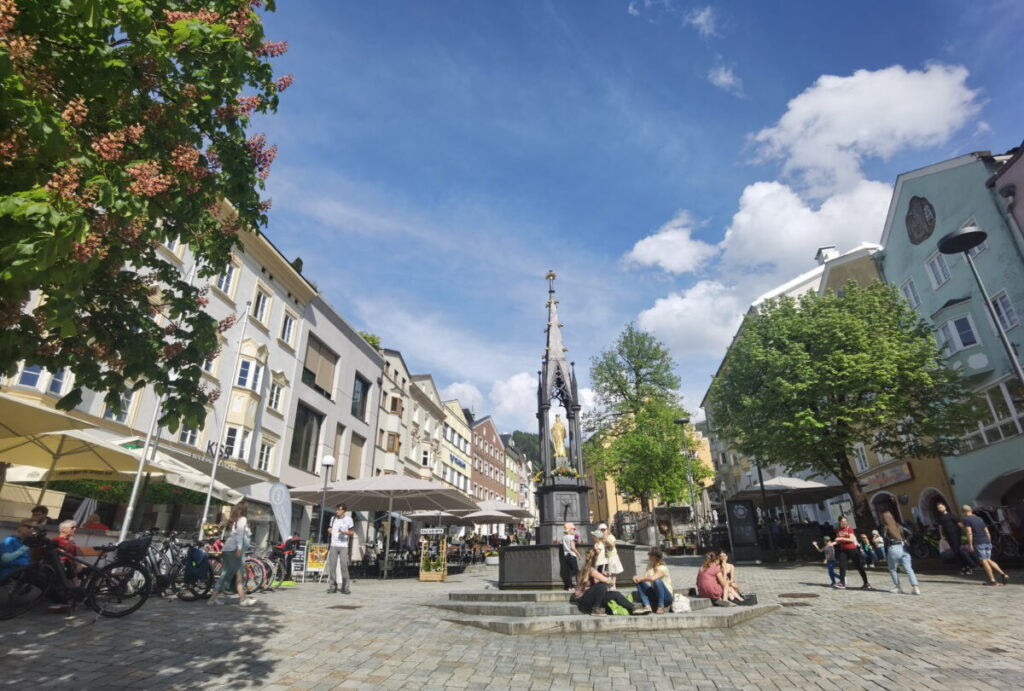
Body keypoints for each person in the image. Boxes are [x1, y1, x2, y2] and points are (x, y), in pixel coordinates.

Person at [573, 547, 649, 616]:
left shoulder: (586, 569)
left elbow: (592, 584)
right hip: (583, 602)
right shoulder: (591, 570)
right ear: (596, 559)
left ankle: (633, 608)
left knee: (615, 594)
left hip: (589, 599)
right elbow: (607, 582)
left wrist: (602, 575)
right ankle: (596, 609)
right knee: (602, 585)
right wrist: (610, 577)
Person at [208, 501, 254, 607]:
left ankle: (242, 599)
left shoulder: (235, 520)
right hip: (233, 551)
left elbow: (236, 534)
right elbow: (239, 535)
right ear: (244, 510)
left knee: (237, 575)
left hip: (228, 550)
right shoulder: (242, 519)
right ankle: (213, 599)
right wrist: (239, 548)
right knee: (227, 575)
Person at [962, 504, 1009, 587]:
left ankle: (992, 581)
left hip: (978, 541)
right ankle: (1003, 574)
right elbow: (986, 531)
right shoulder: (979, 518)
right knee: (988, 559)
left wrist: (970, 544)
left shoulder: (966, 519)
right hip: (986, 541)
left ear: (964, 512)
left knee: (984, 561)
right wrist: (989, 541)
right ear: (971, 510)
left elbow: (969, 532)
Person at [881, 511, 919, 595]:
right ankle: (915, 588)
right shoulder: (899, 526)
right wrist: (906, 540)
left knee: (892, 569)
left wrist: (885, 552)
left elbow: (885, 540)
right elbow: (910, 533)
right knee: (909, 569)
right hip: (904, 547)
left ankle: (898, 587)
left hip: (894, 548)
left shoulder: (886, 527)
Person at [936, 502, 973, 576]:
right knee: (955, 552)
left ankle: (969, 566)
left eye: (941, 507)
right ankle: (964, 567)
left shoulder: (951, 515)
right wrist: (941, 535)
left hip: (955, 535)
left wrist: (966, 532)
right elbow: (940, 527)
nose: (940, 509)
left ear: (945, 507)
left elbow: (959, 524)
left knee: (958, 551)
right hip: (948, 537)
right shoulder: (940, 518)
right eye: (938, 508)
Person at [632, 548, 673, 613]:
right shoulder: (650, 565)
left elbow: (653, 578)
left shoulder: (662, 568)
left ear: (654, 557)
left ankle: (661, 606)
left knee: (657, 581)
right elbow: (644, 577)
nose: (648, 556)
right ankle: (647, 606)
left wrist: (641, 578)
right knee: (639, 582)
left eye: (649, 554)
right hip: (655, 593)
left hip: (666, 596)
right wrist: (637, 577)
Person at [834, 516, 870, 590]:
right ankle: (842, 583)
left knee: (859, 566)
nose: (844, 522)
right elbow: (838, 540)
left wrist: (841, 538)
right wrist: (831, 543)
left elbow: (851, 539)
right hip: (843, 550)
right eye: (842, 521)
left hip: (852, 549)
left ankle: (866, 583)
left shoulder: (849, 529)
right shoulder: (837, 530)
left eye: (845, 521)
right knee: (842, 566)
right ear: (839, 522)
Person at [326, 504, 354, 594]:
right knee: (332, 566)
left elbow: (352, 532)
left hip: (343, 546)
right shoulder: (333, 518)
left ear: (343, 511)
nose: (337, 511)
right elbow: (329, 528)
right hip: (333, 545)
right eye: (336, 509)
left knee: (344, 566)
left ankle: (345, 587)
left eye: (339, 509)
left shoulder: (349, 520)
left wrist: (345, 532)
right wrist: (329, 530)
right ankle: (333, 586)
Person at [559, 522, 580, 591]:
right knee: (577, 571)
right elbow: (572, 547)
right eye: (573, 529)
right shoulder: (571, 537)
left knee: (569, 571)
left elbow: (565, 544)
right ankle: (578, 585)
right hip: (571, 555)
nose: (574, 531)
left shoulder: (564, 537)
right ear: (570, 530)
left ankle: (569, 586)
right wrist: (578, 554)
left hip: (566, 555)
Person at [602, 523, 624, 589]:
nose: (603, 531)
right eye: (601, 530)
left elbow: (613, 545)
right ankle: (610, 585)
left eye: (604, 530)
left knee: (613, 572)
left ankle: (613, 585)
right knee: (608, 572)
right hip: (606, 557)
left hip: (612, 556)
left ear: (607, 530)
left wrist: (606, 541)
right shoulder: (602, 538)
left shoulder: (611, 537)